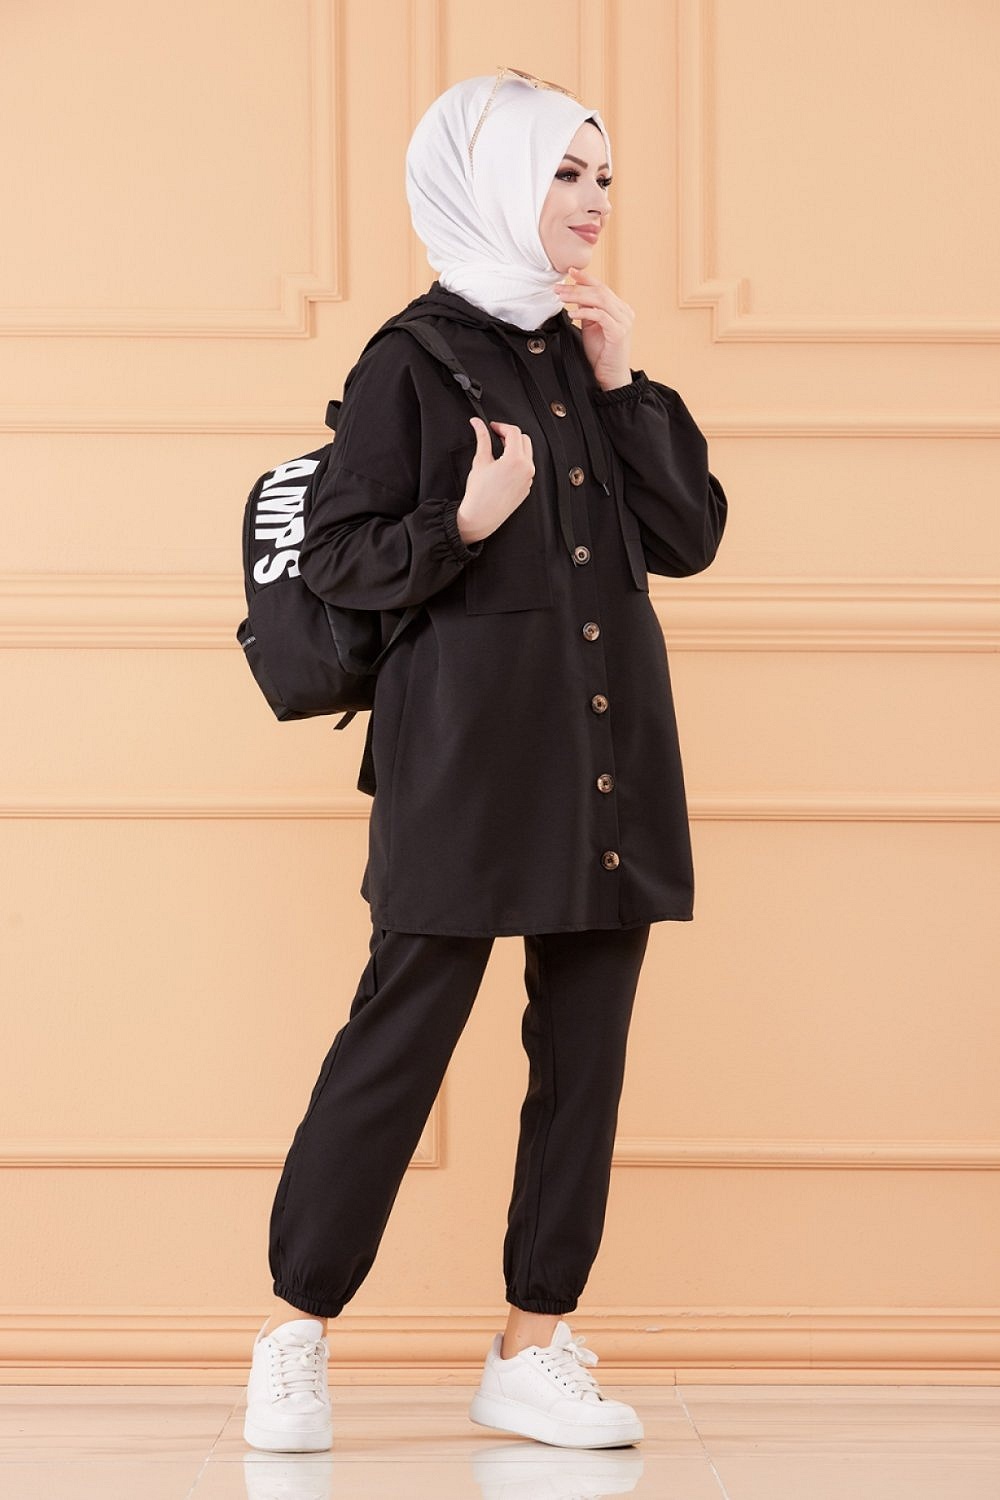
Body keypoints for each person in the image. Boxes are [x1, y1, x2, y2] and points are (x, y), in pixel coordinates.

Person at [243, 66, 728, 1455]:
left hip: (605, 749)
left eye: (604, 176)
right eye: (564, 173)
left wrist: (624, 382)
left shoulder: (588, 349)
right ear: (491, 181)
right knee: (399, 1039)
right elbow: (339, 557)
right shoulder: (409, 359)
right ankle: (294, 1330)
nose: (591, 201)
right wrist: (461, 521)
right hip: (463, 758)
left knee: (584, 1058)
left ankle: (532, 1344)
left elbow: (690, 537)